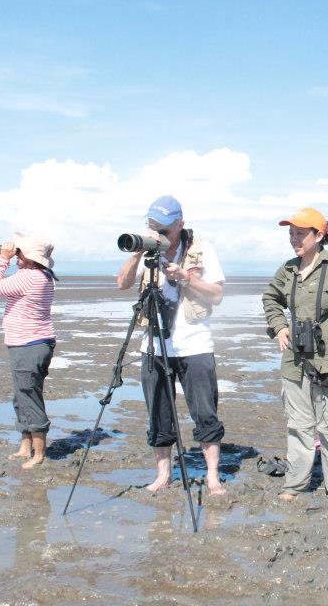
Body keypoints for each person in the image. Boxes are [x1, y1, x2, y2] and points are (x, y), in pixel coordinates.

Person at [117, 195, 227, 495]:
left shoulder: (203, 249)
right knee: (158, 412)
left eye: (164, 228)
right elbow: (122, 284)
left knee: (205, 412)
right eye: (153, 226)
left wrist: (184, 278)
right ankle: (163, 475)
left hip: (195, 345)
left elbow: (216, 294)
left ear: (180, 224)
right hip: (153, 345)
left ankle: (212, 476)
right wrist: (136, 252)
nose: (158, 233)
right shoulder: (148, 249)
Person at [262, 207, 328, 505]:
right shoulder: (288, 269)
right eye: (291, 233)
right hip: (295, 362)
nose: (294, 239)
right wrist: (279, 326)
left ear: (319, 235)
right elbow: (270, 297)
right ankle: (295, 484)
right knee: (298, 426)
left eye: (301, 233)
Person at [0, 234, 58, 470]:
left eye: (20, 253)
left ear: (29, 257)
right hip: (30, 344)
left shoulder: (30, 277)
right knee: (21, 397)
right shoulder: (42, 275)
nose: (17, 256)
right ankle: (25, 447)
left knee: (29, 396)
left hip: (30, 345)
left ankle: (38, 454)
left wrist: (2, 260)